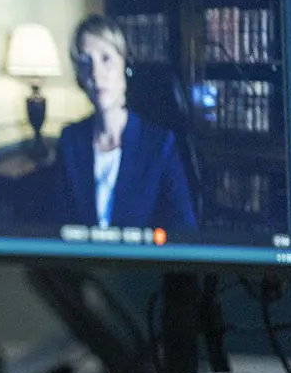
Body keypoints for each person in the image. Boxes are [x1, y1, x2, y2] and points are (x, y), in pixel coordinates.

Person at [51, 14, 197, 230]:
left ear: (125, 66)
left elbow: (184, 231)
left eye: (106, 59)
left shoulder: (160, 145)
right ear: (79, 76)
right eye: (86, 62)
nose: (96, 74)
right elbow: (58, 228)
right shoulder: (70, 141)